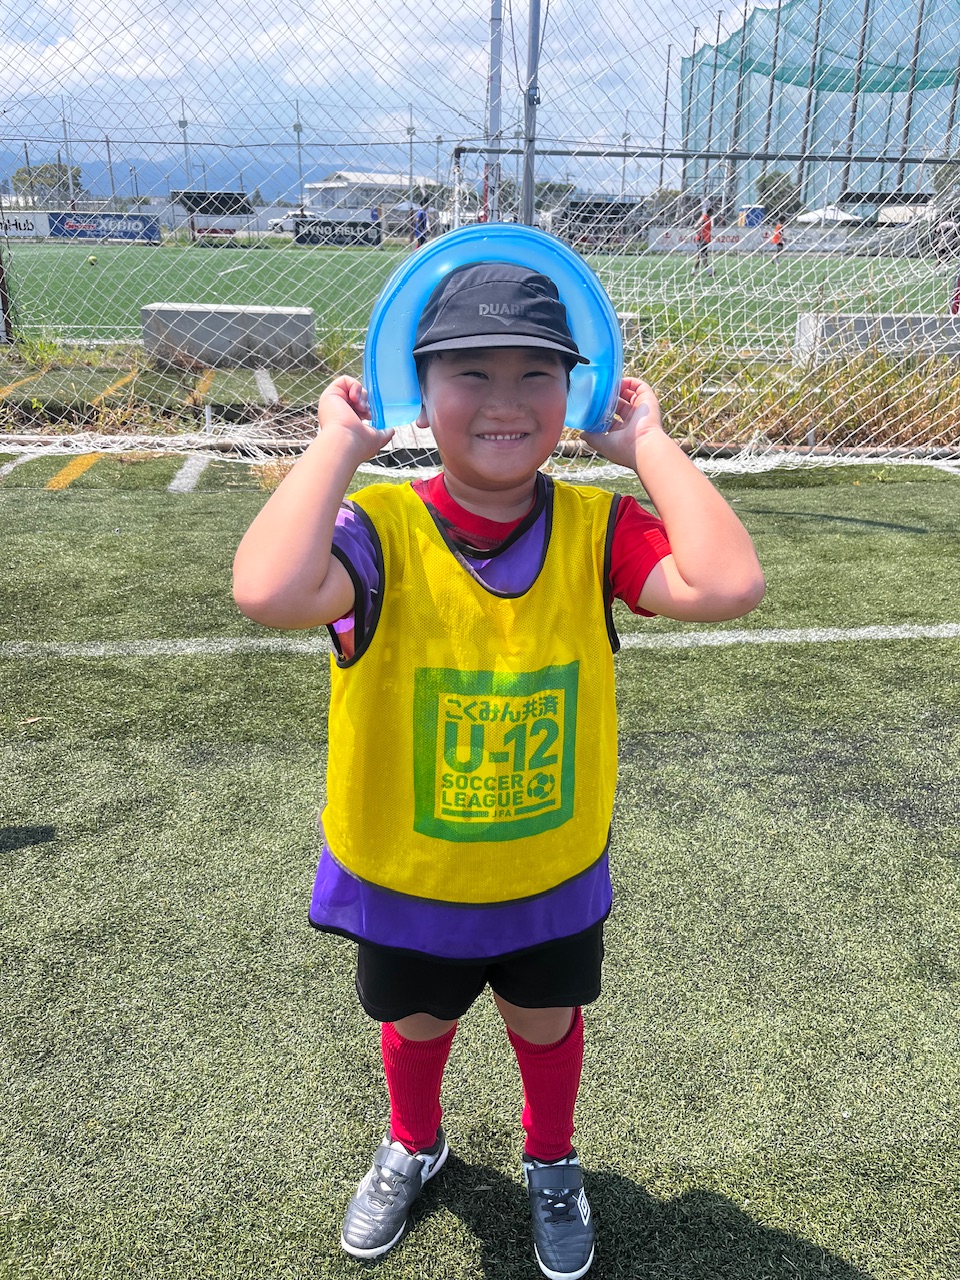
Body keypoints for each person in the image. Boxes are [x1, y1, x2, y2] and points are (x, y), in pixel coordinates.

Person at [232, 261, 765, 1278]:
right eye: (471, 371)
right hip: (414, 875)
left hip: (545, 871)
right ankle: (414, 1139)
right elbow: (266, 589)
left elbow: (730, 582)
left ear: (576, 391)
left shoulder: (597, 529)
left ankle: (551, 1159)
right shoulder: (378, 532)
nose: (506, 400)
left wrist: (647, 443)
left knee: (546, 1020)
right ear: (417, 385)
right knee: (418, 1018)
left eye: (537, 373)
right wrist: (338, 444)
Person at [693, 206, 713, 275]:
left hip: (705, 239)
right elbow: (696, 226)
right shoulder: (704, 217)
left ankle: (693, 270)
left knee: (699, 256)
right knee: (703, 255)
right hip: (702, 240)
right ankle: (709, 271)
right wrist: (700, 235)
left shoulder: (708, 218)